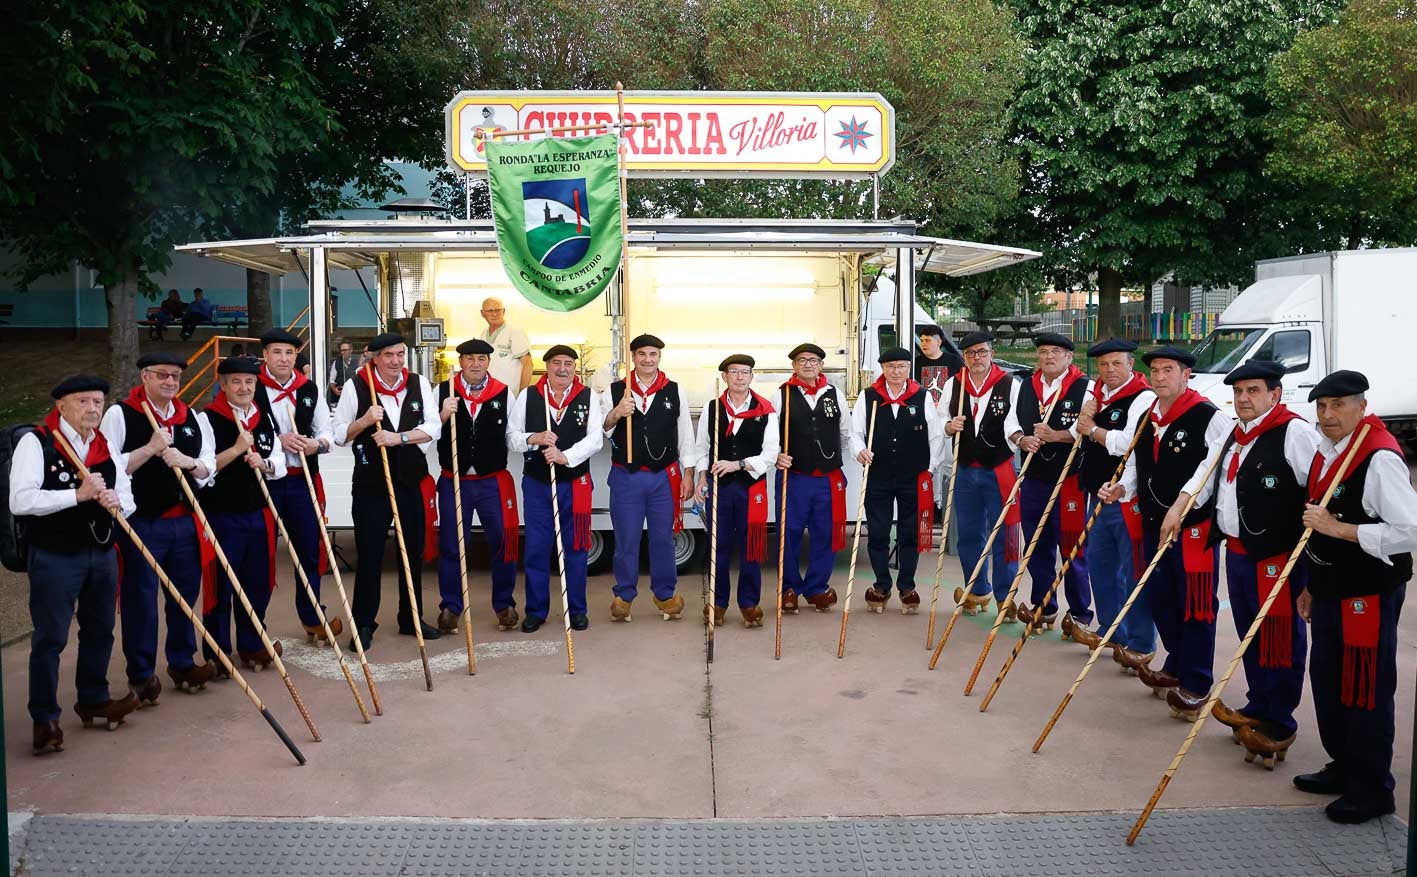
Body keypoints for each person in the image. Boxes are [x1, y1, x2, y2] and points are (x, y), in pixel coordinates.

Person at [1294, 369, 1417, 823]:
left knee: (1364, 686)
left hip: (1367, 591)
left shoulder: (1379, 457)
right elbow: (1317, 529)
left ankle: (1371, 789)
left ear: (1362, 407)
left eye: (1339, 405)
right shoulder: (1328, 451)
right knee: (1327, 681)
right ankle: (1343, 765)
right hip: (1329, 588)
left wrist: (1340, 529)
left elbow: (1409, 531)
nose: (1328, 415)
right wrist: (1310, 583)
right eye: (1322, 406)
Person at [1185, 360, 1317, 755]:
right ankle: (1259, 702)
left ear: (1274, 394)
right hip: (1238, 553)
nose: (1244, 399)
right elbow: (1211, 482)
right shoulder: (1234, 433)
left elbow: (1316, 489)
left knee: (1281, 638)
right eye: (1239, 392)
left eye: (1254, 391)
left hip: (1277, 557)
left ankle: (1280, 718)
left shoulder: (1293, 433)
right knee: (1250, 634)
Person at [11, 375, 139, 755]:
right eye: (83, 401)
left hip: (101, 553)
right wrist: (77, 495)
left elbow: (128, 498)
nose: (93, 408)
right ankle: (44, 718)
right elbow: (21, 500)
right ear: (62, 406)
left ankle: (93, 698)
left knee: (100, 630)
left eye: (97, 402)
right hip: (54, 556)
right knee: (51, 637)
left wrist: (117, 501)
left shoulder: (105, 444)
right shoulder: (38, 442)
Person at [1101, 346, 1231, 713]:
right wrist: (1122, 487)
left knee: (1196, 606)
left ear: (1186, 374)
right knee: (1161, 600)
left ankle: (1197, 682)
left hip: (1191, 529)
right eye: (1155, 371)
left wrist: (1182, 507)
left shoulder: (1209, 418)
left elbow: (1210, 472)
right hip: (1153, 524)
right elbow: (1135, 464)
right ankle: (1177, 663)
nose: (1159, 377)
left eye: (1168, 370)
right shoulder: (1146, 413)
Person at [99, 352, 216, 703]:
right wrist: (149, 449)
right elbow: (105, 465)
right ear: (145, 377)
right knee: (142, 600)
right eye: (162, 375)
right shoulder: (121, 414)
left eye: (176, 376)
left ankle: (181, 662)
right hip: (142, 523)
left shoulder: (190, 416)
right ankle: (142, 674)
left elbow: (209, 464)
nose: (170, 382)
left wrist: (189, 462)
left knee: (184, 597)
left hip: (184, 521)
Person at [333, 332, 443, 649]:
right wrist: (365, 421)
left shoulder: (419, 383)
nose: (396, 361)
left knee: (413, 553)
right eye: (389, 356)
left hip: (410, 482)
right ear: (375, 357)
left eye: (400, 355)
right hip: (371, 486)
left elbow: (433, 426)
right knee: (370, 555)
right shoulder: (357, 386)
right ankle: (364, 623)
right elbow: (340, 434)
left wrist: (401, 438)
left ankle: (410, 618)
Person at [198, 356, 287, 670]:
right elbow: (202, 471)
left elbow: (278, 459)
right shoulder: (207, 419)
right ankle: (218, 652)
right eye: (236, 381)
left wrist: (264, 463)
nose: (244, 387)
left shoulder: (263, 417)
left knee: (257, 584)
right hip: (223, 515)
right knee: (222, 585)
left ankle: (251, 644)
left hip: (259, 515)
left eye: (249, 382)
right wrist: (236, 450)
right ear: (223, 385)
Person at [601, 334, 696, 622]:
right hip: (626, 477)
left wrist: (688, 473)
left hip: (662, 478)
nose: (647, 359)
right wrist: (617, 413)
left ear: (659, 357)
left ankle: (665, 594)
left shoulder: (674, 391)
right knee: (626, 539)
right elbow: (601, 429)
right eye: (642, 354)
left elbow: (685, 436)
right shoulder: (616, 389)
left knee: (662, 539)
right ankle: (624, 596)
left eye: (653, 354)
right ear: (633, 357)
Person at [1005, 332, 1095, 633]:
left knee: (1072, 547)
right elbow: (1011, 423)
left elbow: (1089, 428)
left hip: (1070, 479)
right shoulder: (1025, 387)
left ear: (1069, 357)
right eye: (1043, 351)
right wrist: (1023, 439)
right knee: (1035, 543)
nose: (1049, 357)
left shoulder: (1085, 388)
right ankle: (1043, 606)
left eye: (1056, 351)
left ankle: (1081, 613)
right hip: (1034, 479)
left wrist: (1056, 435)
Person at [1073, 339, 1156, 664]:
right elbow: (1076, 429)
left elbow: (1128, 442)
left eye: (1116, 364)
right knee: (1100, 565)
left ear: (1130, 365)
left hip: (1126, 496)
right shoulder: (1096, 395)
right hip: (1096, 494)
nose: (1109, 370)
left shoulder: (1143, 397)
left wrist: (1093, 430)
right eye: (1104, 365)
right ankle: (1111, 630)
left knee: (1133, 569)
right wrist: (1085, 418)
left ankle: (1140, 642)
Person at [508, 346, 603, 631]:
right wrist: (533, 437)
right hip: (537, 483)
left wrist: (565, 457)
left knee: (576, 547)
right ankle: (536, 610)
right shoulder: (528, 396)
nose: (563, 368)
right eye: (557, 363)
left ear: (575, 367)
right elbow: (511, 437)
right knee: (537, 547)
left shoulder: (588, 396)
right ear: (546, 366)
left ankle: (576, 609)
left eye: (568, 364)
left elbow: (595, 439)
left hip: (575, 483)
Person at [254, 328, 337, 644]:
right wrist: (277, 440)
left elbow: (327, 432)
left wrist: (316, 444)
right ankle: (256, 628)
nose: (283, 359)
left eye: (289, 353)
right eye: (277, 352)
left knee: (308, 552)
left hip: (302, 482)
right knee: (261, 555)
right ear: (265, 355)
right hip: (264, 484)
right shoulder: (251, 387)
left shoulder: (309, 389)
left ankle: (313, 616)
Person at [436, 338, 521, 633]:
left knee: (503, 542)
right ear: (460, 362)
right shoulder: (443, 391)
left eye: (481, 359)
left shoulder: (504, 394)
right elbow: (429, 432)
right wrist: (443, 414)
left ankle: (504, 604)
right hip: (454, 480)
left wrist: (534, 439)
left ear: (488, 362)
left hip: (492, 482)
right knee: (451, 544)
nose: (475, 364)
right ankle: (451, 606)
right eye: (470, 358)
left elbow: (513, 435)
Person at [851, 347, 945, 613]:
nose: (896, 372)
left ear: (908, 369)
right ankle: (881, 585)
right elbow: (856, 433)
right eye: (891, 366)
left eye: (902, 366)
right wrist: (860, 450)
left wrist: (929, 467)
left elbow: (935, 436)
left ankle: (907, 587)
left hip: (912, 476)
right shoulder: (868, 396)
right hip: (878, 475)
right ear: (883, 369)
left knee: (910, 533)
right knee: (878, 532)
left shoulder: (922, 396)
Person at [694, 354, 780, 627]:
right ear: (725, 377)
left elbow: (771, 454)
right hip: (719, 488)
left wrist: (739, 464)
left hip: (750, 488)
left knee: (751, 547)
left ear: (752, 377)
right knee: (717, 546)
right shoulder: (713, 408)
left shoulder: (765, 410)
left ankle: (749, 604)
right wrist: (701, 478)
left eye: (745, 372)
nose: (740, 377)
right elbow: (702, 448)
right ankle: (717, 604)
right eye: (734, 372)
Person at [942, 331, 1021, 617]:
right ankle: (976, 590)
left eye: (982, 352)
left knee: (1005, 536)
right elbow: (941, 418)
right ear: (964, 357)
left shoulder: (1010, 384)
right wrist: (950, 426)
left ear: (991, 352)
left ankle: (1005, 596)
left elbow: (1018, 423)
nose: (976, 358)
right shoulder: (955, 384)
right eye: (971, 353)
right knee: (970, 535)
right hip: (965, 470)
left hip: (998, 469)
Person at [776, 343, 852, 613]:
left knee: (826, 534)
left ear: (821, 365)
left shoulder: (835, 394)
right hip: (794, 477)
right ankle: (789, 588)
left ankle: (817, 587)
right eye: (802, 360)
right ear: (794, 366)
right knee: (790, 533)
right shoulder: (782, 394)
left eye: (813, 360)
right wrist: (776, 455)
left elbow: (846, 432)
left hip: (827, 478)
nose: (808, 364)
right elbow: (772, 436)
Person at [477, 297, 533, 395]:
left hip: (511, 394)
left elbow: (528, 364)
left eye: (498, 310)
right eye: (490, 311)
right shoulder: (483, 334)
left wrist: (522, 394)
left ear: (504, 311)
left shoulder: (514, 331)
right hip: (488, 393)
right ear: (482, 313)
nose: (494, 314)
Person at [915, 326, 963, 404]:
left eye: (927, 340)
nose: (923, 344)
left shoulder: (954, 361)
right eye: (922, 340)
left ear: (938, 342)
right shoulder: (916, 362)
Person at [329, 340, 357, 407]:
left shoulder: (357, 362)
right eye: (341, 350)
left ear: (351, 350)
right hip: (340, 396)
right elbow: (331, 380)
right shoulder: (337, 362)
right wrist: (334, 390)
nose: (342, 352)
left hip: (354, 395)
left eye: (344, 350)